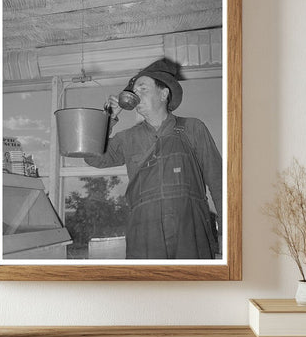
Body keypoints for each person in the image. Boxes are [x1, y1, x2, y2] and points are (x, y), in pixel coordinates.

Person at [84, 58, 222, 259]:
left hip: (191, 231)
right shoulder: (128, 138)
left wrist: (227, 232)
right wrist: (109, 118)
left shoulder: (193, 128)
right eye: (134, 92)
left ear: (164, 94)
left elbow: (218, 182)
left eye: (143, 89)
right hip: (145, 235)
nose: (136, 95)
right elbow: (92, 158)